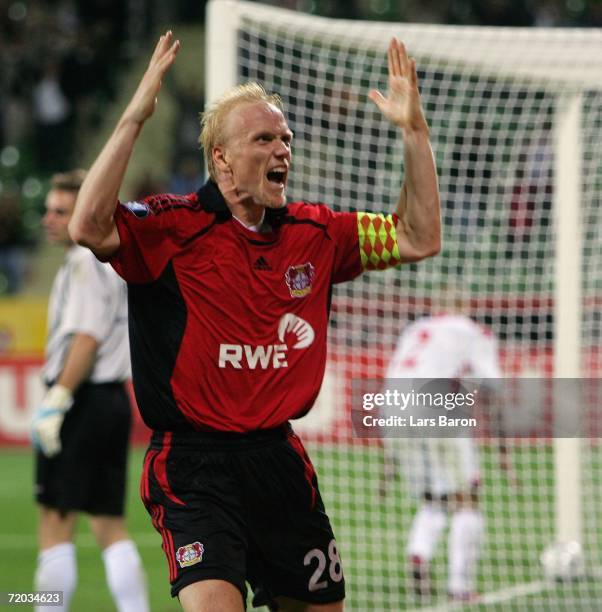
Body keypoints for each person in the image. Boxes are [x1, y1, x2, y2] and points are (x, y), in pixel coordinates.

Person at [68, 30, 440, 612]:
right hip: (193, 467)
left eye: (286, 138)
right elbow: (87, 226)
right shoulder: (172, 227)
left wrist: (415, 133)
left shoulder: (317, 234)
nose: (282, 150)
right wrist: (135, 117)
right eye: (264, 138)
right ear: (220, 157)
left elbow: (419, 237)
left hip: (279, 461)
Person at [30, 170, 149, 612]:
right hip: (111, 401)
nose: (50, 218)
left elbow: (86, 337)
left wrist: (57, 401)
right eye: (49, 210)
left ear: (84, 211)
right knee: (109, 526)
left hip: (81, 399)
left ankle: (44, 606)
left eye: (61, 210)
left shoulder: (83, 259)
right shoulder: (108, 256)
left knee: (55, 524)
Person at [381, 307, 503, 603]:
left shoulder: (415, 328)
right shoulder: (472, 330)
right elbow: (493, 386)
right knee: (467, 499)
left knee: (434, 498)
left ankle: (419, 553)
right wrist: (503, 449)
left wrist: (387, 466)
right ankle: (460, 585)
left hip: (394, 408)